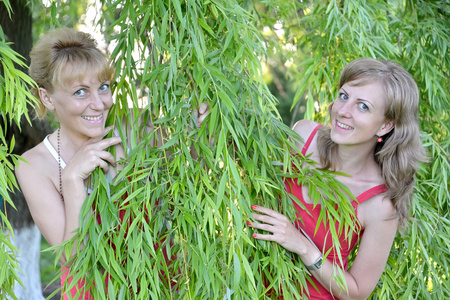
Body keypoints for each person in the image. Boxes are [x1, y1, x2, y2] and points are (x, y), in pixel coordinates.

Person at [15, 27, 208, 299]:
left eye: (103, 87)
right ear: (47, 97)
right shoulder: (34, 165)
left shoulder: (136, 126)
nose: (99, 104)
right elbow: (74, 259)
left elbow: (188, 177)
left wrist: (203, 131)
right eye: (80, 92)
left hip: (161, 284)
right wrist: (72, 180)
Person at [247, 58, 426, 299]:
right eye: (344, 96)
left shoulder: (379, 204)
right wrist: (204, 135)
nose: (343, 111)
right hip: (249, 287)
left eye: (362, 106)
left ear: (385, 125)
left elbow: (357, 292)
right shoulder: (302, 137)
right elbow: (246, 179)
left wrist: (301, 245)